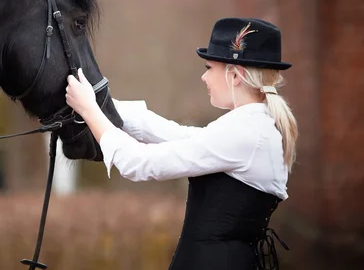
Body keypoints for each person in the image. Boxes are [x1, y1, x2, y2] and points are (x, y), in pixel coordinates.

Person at [66, 17, 297, 270]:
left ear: (236, 75)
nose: (203, 77)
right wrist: (102, 103)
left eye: (209, 67)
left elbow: (139, 163)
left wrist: (89, 110)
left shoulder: (247, 132)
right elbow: (178, 135)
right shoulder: (253, 126)